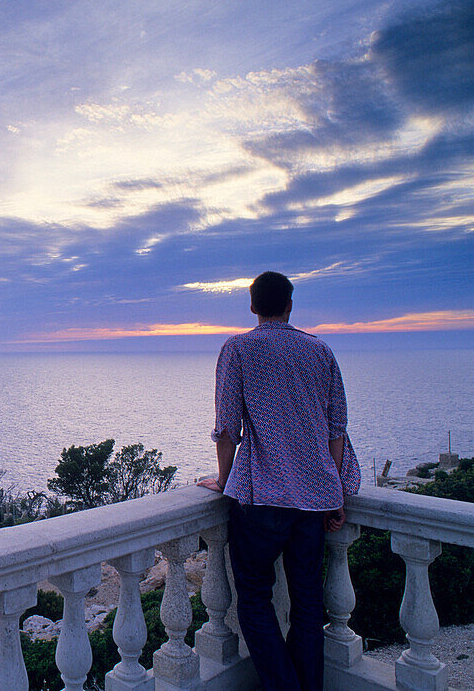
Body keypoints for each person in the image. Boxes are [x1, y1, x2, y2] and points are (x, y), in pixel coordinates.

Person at [197, 271, 361, 691]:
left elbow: (227, 428)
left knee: (254, 601)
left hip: (261, 500)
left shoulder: (238, 349)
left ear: (253, 306)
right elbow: (335, 429)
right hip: (313, 503)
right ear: (290, 304)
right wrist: (336, 493)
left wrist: (222, 479)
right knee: (308, 604)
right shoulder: (319, 351)